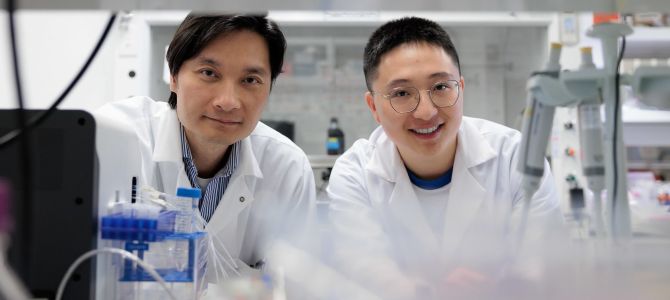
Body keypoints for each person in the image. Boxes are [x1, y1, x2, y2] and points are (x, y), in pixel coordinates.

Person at [327, 16, 564, 299]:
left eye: (440, 87)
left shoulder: (516, 158)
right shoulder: (355, 174)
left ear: (460, 89)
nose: (426, 112)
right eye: (402, 93)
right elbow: (365, 271)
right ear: (374, 106)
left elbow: (543, 267)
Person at [95, 13, 315, 284]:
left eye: (250, 80)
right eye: (209, 73)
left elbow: (296, 288)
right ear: (174, 76)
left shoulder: (287, 167)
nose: (228, 101)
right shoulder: (117, 136)